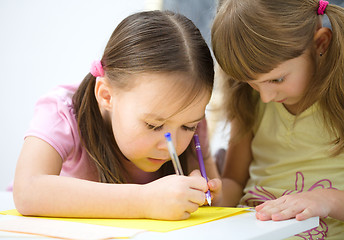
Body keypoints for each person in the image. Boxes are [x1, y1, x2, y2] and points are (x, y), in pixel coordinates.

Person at [13, 10, 222, 221]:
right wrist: (144, 201)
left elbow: (216, 204)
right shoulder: (63, 111)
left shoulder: (190, 115)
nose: (172, 145)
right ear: (107, 96)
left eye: (187, 127)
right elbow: (27, 190)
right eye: (153, 125)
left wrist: (199, 193)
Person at [211, 0, 344, 239]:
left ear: (320, 43)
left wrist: (328, 199)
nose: (265, 97)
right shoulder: (249, 99)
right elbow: (233, 180)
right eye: (251, 82)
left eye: (277, 80)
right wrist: (210, 195)